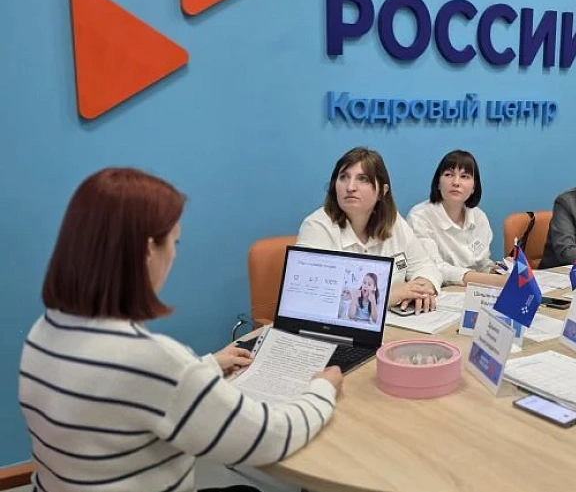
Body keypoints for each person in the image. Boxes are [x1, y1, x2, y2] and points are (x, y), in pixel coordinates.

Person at [18, 168, 343, 492]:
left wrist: (204, 367)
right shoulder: (150, 359)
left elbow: (131, 391)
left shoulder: (44, 331)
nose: (173, 254)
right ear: (148, 250)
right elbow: (268, 438)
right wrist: (322, 390)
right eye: (174, 242)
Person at [297, 147, 442, 313]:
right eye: (343, 177)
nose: (350, 187)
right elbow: (314, 297)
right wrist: (391, 295)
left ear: (382, 192)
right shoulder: (317, 227)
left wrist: (420, 290)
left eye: (363, 179)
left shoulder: (393, 222)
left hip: (394, 323)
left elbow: (426, 267)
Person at [407, 150, 506, 287]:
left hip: (472, 290)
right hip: (439, 292)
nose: (456, 182)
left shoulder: (479, 217)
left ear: (474, 187)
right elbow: (432, 268)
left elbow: (482, 263)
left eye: (464, 176)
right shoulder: (420, 217)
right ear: (438, 183)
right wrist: (492, 280)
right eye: (449, 175)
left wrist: (496, 270)